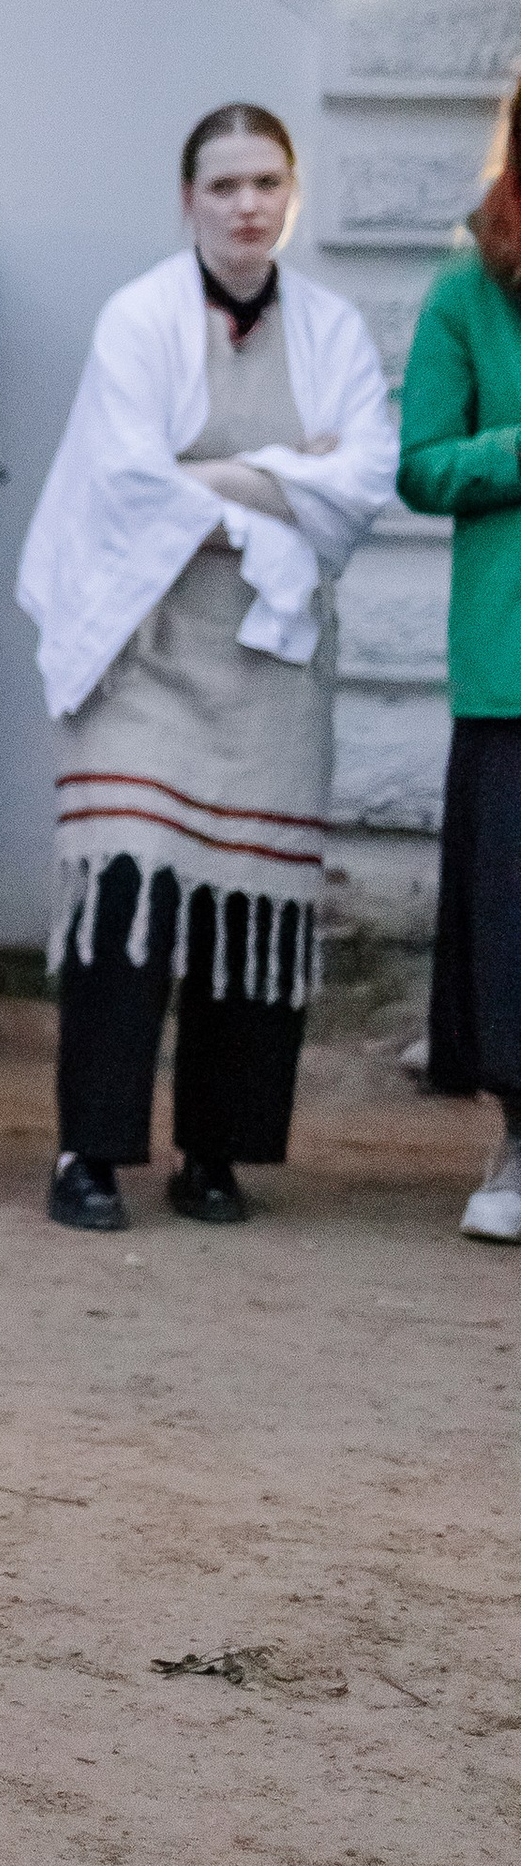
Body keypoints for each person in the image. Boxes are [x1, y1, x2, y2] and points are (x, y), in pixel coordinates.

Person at [18, 104, 394, 1233]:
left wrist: (210, 475)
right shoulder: (138, 319)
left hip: (270, 663)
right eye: (224, 184)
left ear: (291, 195)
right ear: (187, 199)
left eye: (265, 183)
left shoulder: (333, 330)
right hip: (143, 649)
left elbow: (361, 485)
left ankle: (215, 1154)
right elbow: (122, 483)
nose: (245, 205)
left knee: (249, 905)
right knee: (128, 889)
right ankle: (89, 1151)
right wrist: (287, 474)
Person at [396, 80, 521, 1242]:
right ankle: (517, 1142)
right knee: (512, 915)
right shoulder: (468, 280)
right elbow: (422, 464)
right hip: (512, 658)